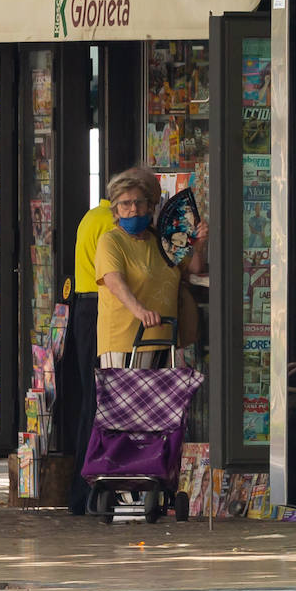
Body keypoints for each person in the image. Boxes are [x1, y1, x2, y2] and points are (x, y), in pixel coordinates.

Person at [95, 168, 208, 367]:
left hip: (167, 337)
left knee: (163, 399)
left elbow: (194, 268)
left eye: (139, 202)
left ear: (149, 206)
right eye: (125, 204)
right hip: (126, 340)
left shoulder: (161, 239)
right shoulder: (111, 241)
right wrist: (140, 311)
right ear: (115, 210)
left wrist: (198, 246)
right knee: (128, 398)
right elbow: (114, 282)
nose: (133, 209)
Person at [66, 195, 118, 515]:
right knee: (99, 400)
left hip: (86, 305)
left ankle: (82, 492)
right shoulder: (109, 223)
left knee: (92, 398)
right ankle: (86, 489)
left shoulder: (91, 216)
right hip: (100, 307)